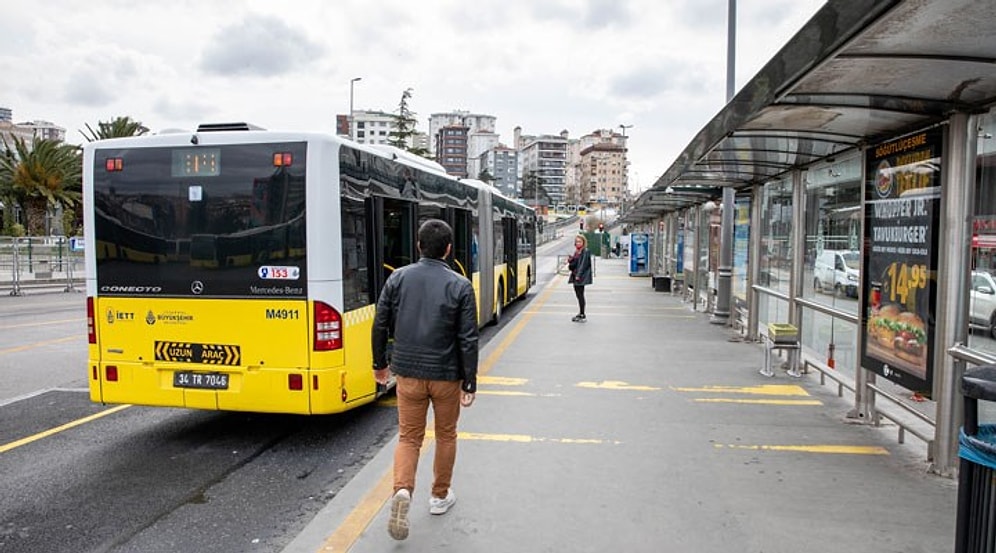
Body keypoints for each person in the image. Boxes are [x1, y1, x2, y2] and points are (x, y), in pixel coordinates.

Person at [371, 219, 479, 541]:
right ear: (448, 249)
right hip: (446, 376)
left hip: (408, 374)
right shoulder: (460, 285)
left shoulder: (398, 278)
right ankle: (439, 495)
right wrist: (469, 382)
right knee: (446, 435)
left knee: (408, 437)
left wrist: (380, 364)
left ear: (418, 246)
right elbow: (468, 339)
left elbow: (380, 323)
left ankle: (402, 491)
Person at [567, 233, 593, 322]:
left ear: (583, 242)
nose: (578, 243)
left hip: (580, 276)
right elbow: (574, 264)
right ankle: (581, 313)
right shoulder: (576, 252)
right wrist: (571, 260)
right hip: (575, 275)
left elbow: (583, 264)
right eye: (576, 242)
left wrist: (579, 275)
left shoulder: (585, 251)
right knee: (578, 295)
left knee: (580, 295)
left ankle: (582, 314)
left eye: (580, 241)